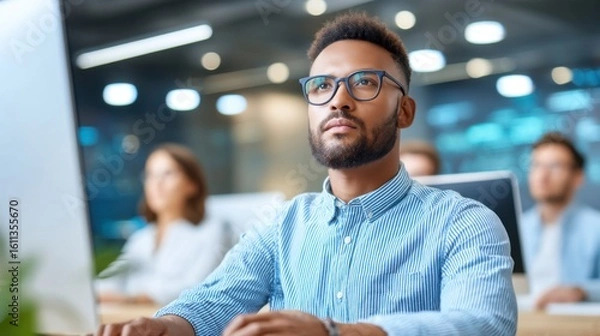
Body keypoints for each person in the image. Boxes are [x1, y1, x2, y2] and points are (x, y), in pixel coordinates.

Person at [96, 12, 516, 336]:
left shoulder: (464, 223)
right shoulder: (283, 224)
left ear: (404, 110)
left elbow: (484, 324)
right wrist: (165, 326)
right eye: (321, 86)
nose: (339, 101)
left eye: (364, 82)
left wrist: (335, 332)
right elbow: (215, 299)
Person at [95, 143, 230, 305]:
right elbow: (110, 280)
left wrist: (132, 299)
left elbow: (199, 288)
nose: (156, 184)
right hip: (129, 318)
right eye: (150, 175)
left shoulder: (213, 230)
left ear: (192, 185)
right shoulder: (140, 238)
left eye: (168, 174)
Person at [521, 132, 600, 309]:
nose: (542, 175)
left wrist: (581, 291)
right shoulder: (518, 228)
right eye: (536, 165)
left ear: (577, 177)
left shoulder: (596, 228)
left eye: (554, 166)